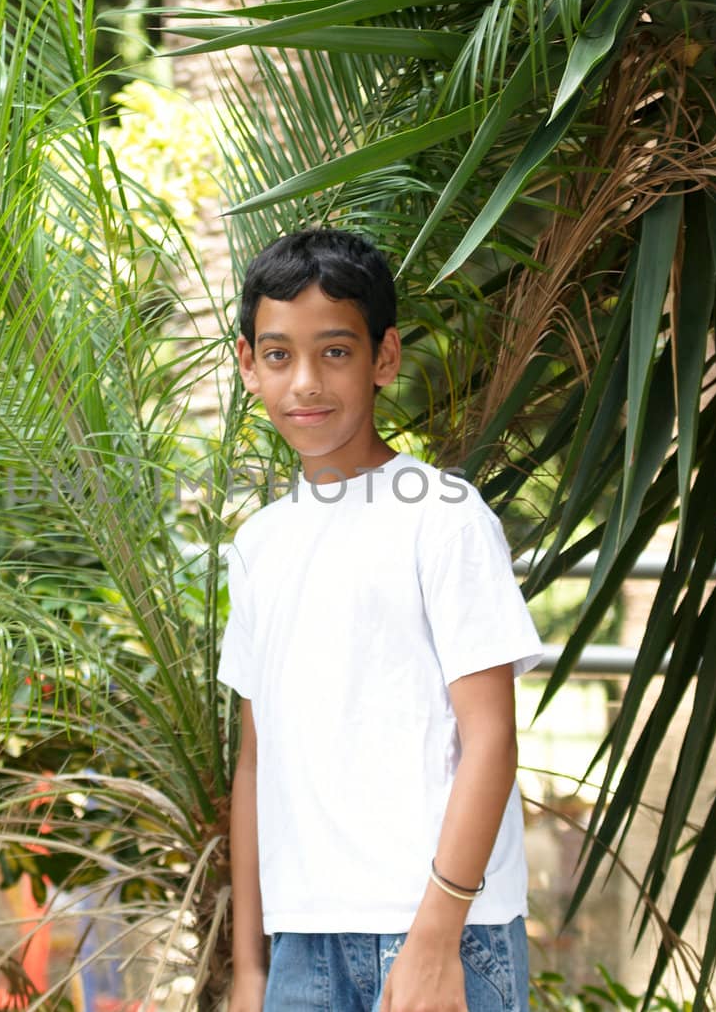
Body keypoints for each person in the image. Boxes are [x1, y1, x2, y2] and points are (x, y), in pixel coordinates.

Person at [217, 228, 544, 1012]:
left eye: (334, 352)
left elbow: (490, 737)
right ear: (247, 366)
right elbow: (255, 764)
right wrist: (251, 968)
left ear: (384, 358)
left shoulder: (443, 516)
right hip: (303, 946)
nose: (305, 382)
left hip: (449, 932)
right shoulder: (260, 545)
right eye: (277, 355)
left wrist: (434, 938)